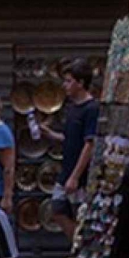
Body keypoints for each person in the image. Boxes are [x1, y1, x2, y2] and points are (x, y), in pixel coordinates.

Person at [48, 58, 99, 238]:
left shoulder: (91, 108)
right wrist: (49, 133)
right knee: (57, 209)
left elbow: (89, 143)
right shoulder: (72, 108)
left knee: (79, 214)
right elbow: (69, 138)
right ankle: (76, 245)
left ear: (81, 83)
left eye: (69, 81)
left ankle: (79, 250)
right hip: (66, 170)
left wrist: (75, 177)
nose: (65, 85)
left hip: (79, 175)